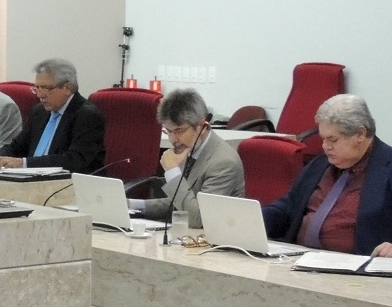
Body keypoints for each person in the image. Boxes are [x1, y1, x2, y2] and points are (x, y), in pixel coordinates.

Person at [263, 94, 392, 256]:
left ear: (360, 134)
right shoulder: (320, 164)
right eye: (323, 139)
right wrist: (256, 219)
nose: (325, 146)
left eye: (333, 140)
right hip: (297, 258)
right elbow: (289, 206)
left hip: (355, 266)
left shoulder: (387, 167)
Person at [127, 88, 245, 227]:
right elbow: (179, 202)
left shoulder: (223, 162)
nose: (173, 139)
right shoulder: (190, 148)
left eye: (179, 131)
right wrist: (131, 205)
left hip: (213, 236)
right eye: (168, 131)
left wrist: (172, 172)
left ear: (201, 126)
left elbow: (198, 219)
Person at [0, 58, 105, 173]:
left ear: (68, 88)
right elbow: (17, 147)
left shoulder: (86, 115)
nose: (40, 95)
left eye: (46, 88)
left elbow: (74, 160)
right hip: (33, 179)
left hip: (69, 182)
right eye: (37, 88)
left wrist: (24, 163)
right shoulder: (39, 111)